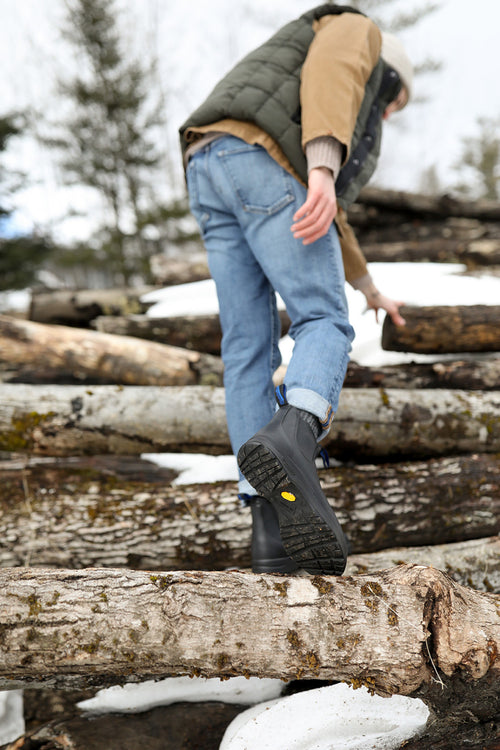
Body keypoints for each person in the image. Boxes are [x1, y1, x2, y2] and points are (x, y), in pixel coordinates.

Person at [179, 4, 413, 576]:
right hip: (265, 162)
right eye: (389, 102)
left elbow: (330, 224)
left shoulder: (271, 81)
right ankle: (296, 434)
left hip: (207, 162)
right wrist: (324, 168)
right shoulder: (357, 28)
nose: (381, 113)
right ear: (389, 72)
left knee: (246, 348)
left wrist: (369, 287)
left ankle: (271, 533)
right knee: (324, 321)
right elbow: (332, 72)